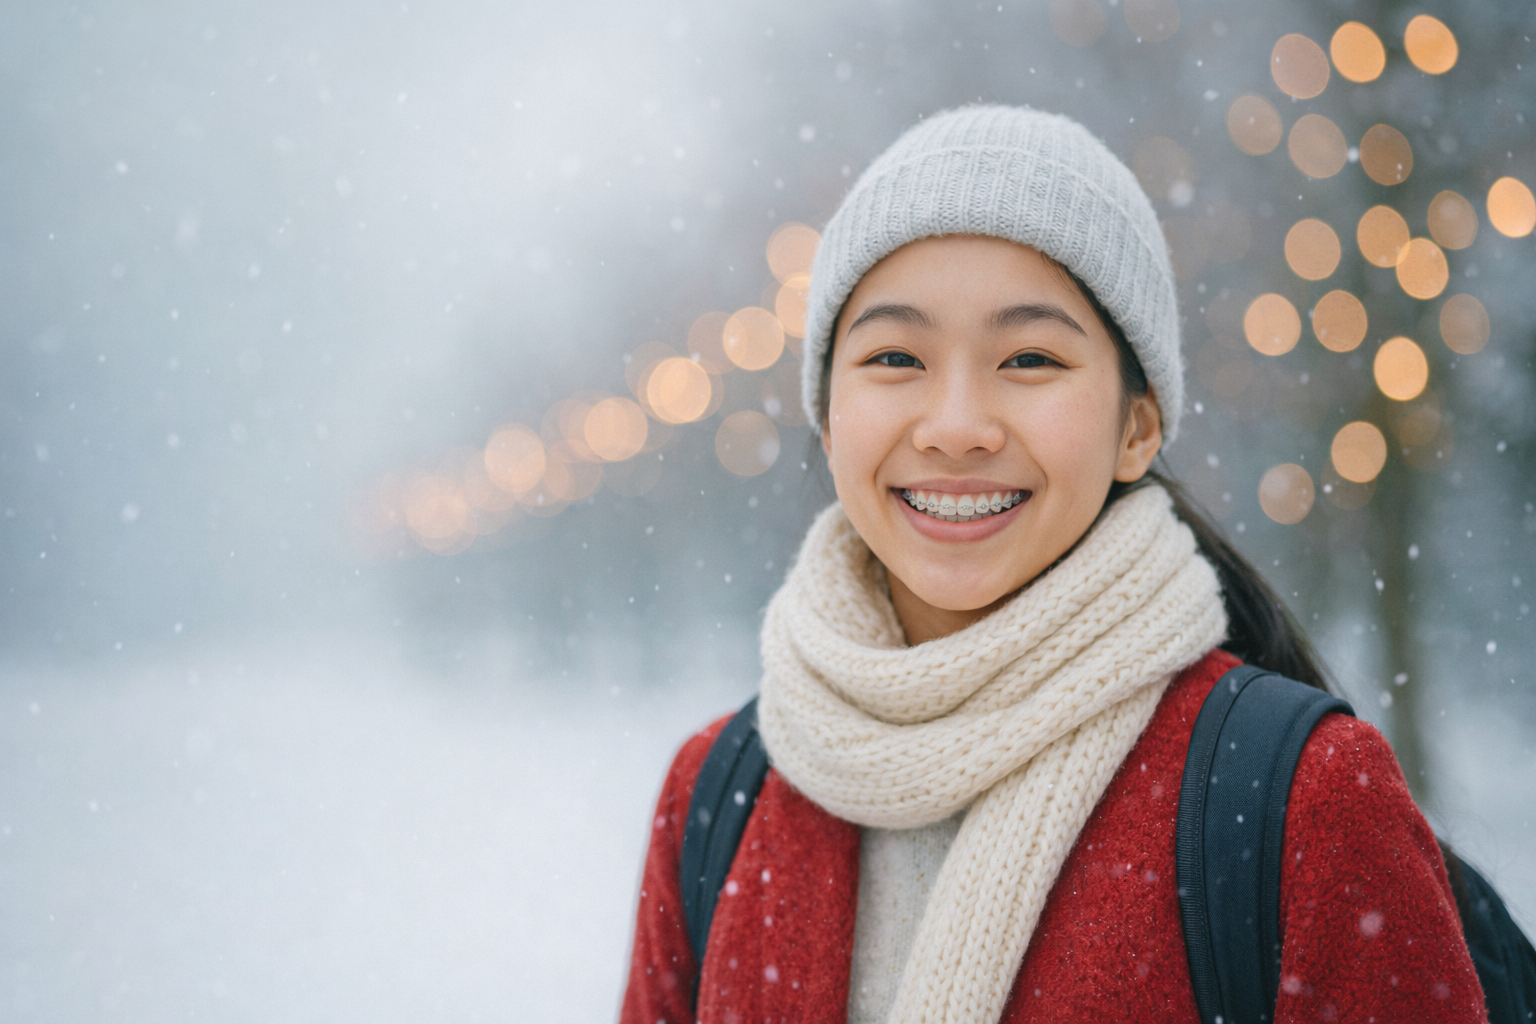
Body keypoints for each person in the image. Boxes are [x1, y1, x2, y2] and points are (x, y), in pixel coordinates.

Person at [619, 105, 1485, 1024]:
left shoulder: (1305, 799)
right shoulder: (717, 792)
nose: (955, 426)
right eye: (895, 356)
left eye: (1029, 357)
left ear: (1138, 425)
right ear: (829, 420)